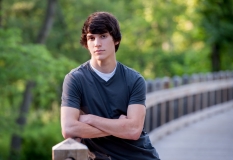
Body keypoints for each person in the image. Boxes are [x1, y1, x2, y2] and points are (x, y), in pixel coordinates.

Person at [61, 11, 160, 160]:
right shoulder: (75, 79)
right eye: (91, 38)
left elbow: (133, 131)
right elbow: (69, 128)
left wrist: (90, 119)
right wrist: (119, 127)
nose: (97, 43)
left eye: (103, 36)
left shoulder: (134, 80)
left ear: (116, 40)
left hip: (139, 156)